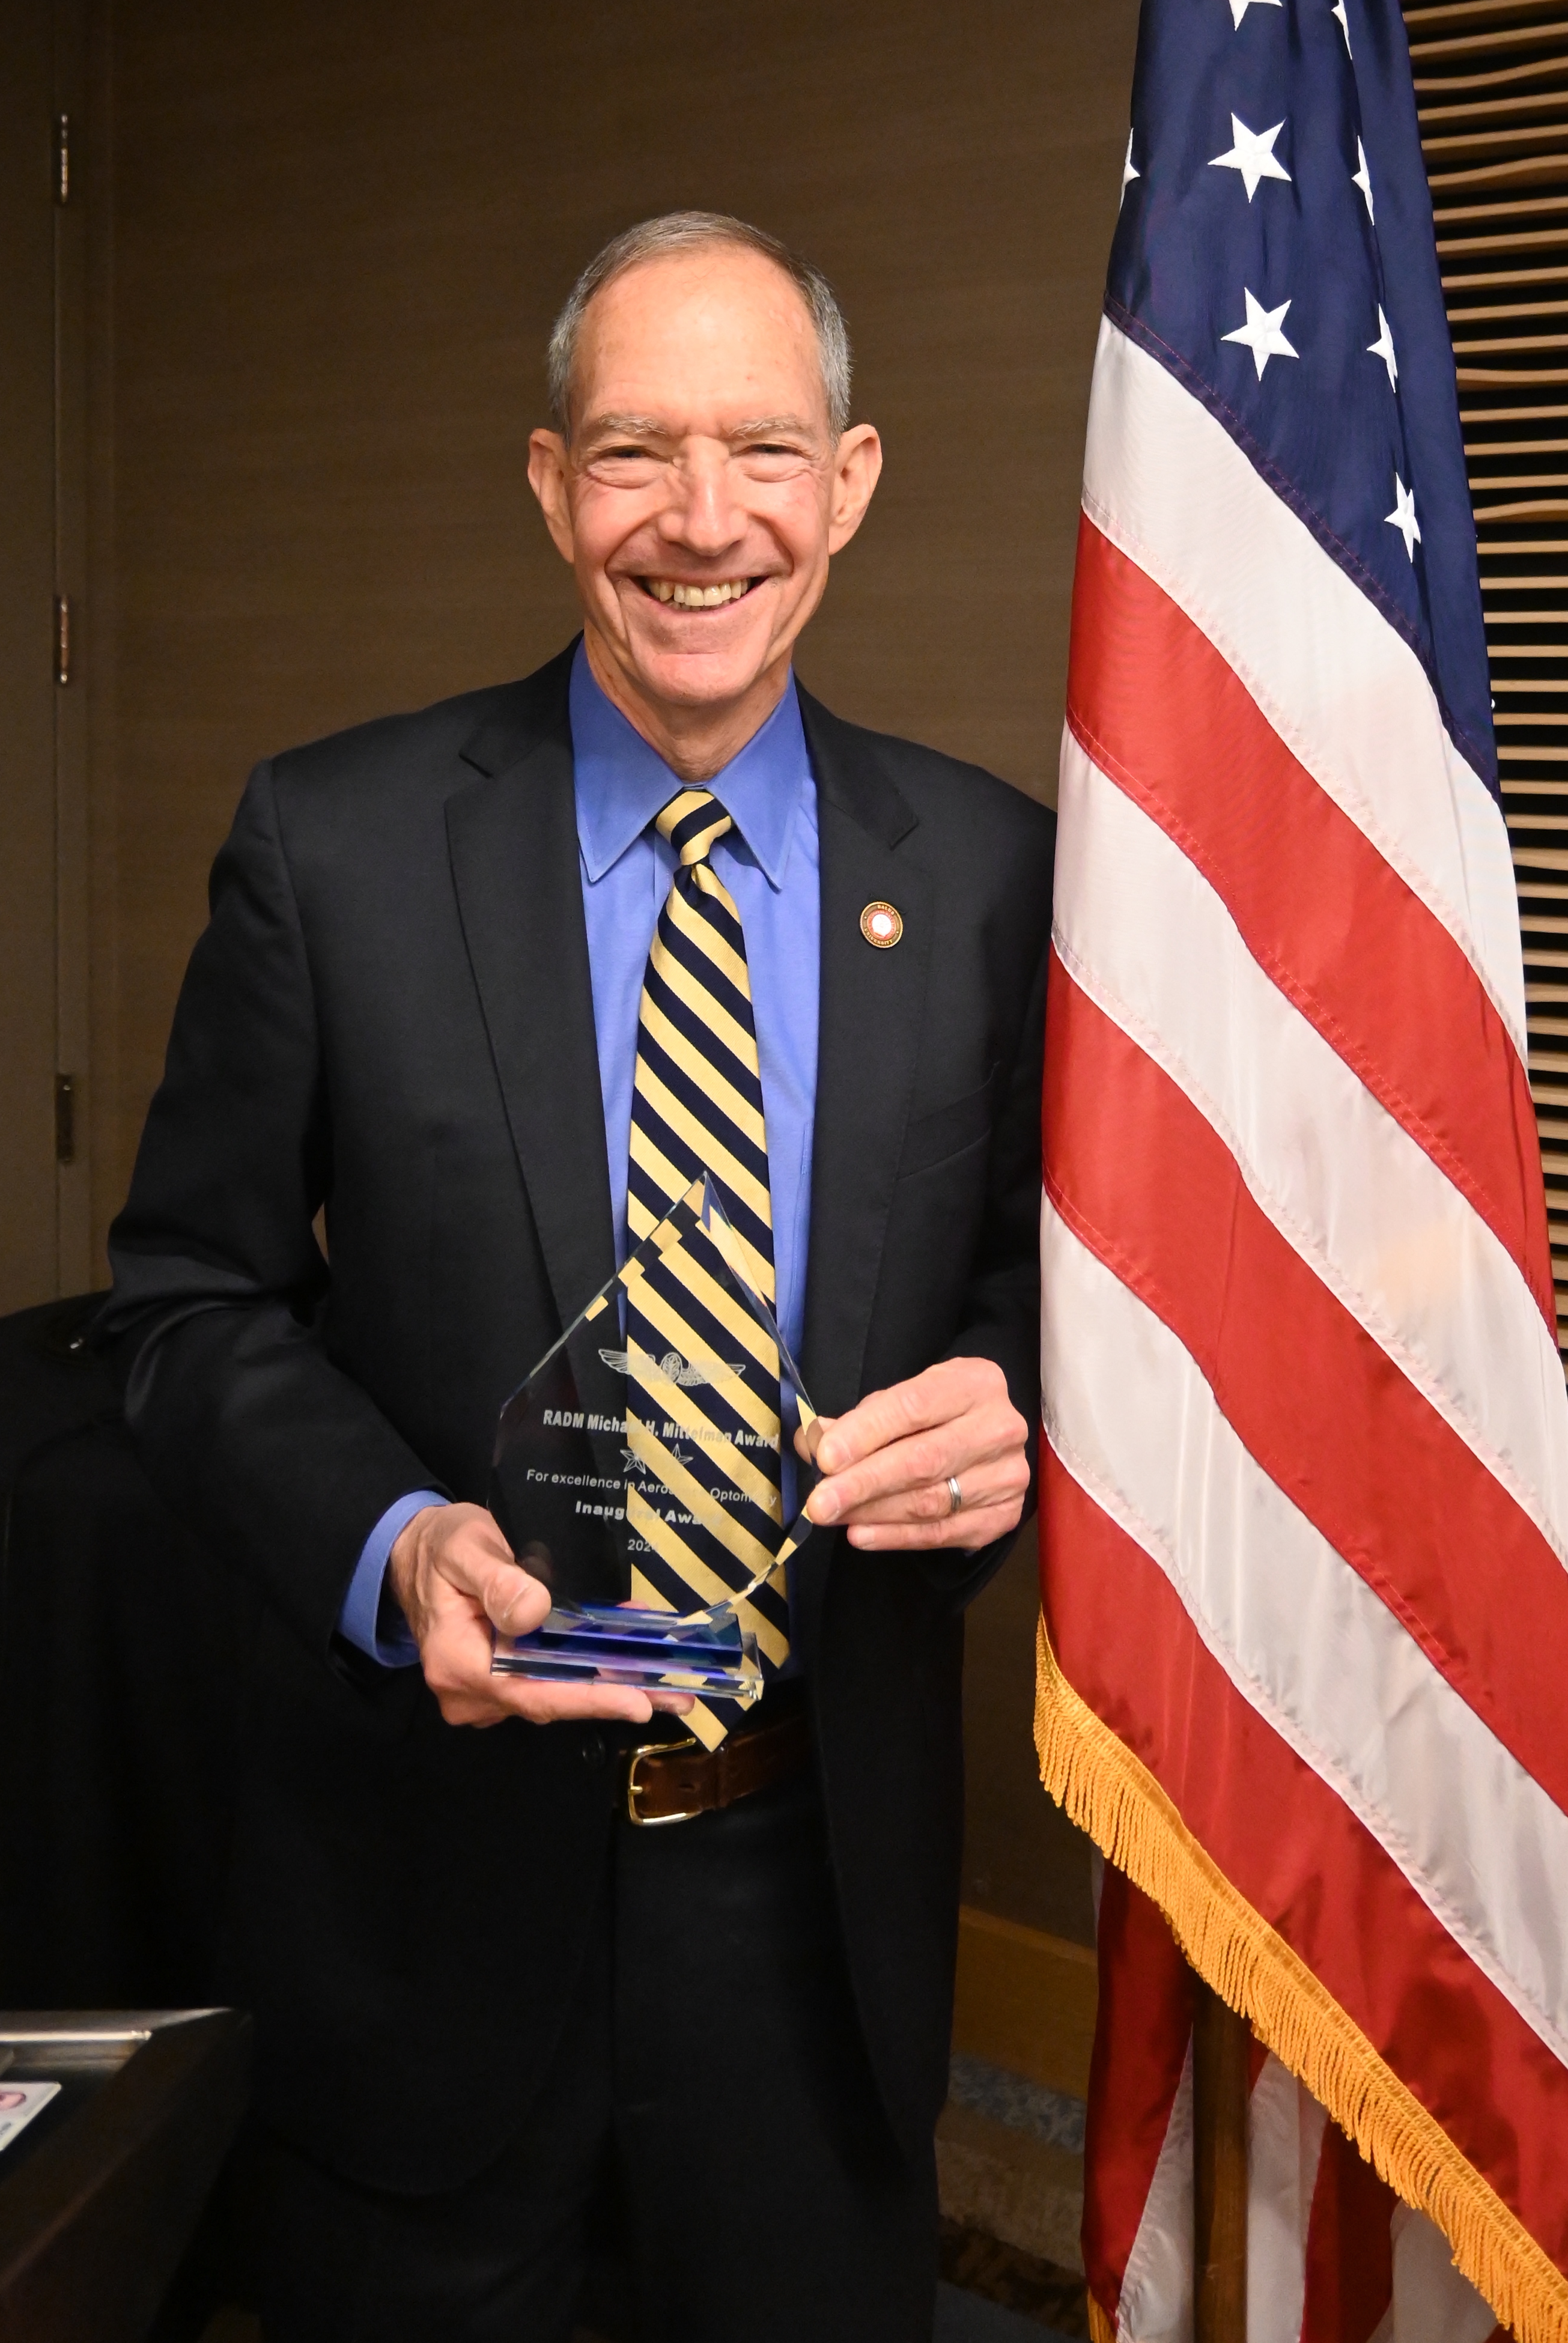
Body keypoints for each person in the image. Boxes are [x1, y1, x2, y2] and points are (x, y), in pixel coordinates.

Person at [103, 211, 1054, 2343]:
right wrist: (393, 1542)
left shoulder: (994, 879)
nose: (702, 524)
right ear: (550, 486)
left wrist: (1013, 1416)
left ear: (857, 481)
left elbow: (1038, 1301)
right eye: (635, 453)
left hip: (821, 1915)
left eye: (765, 453)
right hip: (427, 1903)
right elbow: (180, 1305)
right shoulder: (331, 847)